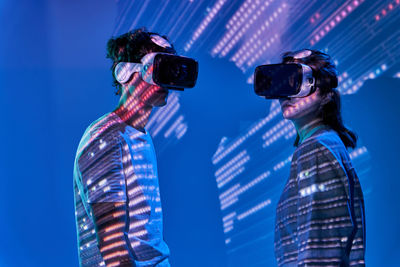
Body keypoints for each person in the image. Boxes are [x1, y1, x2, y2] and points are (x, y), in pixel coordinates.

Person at [73, 28, 179, 267]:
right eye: (155, 67)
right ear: (124, 72)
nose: (165, 79)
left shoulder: (138, 135)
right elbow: (112, 248)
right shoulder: (107, 137)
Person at [273, 49, 366, 266]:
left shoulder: (315, 150)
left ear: (326, 95)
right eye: (284, 83)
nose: (288, 94)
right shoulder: (326, 144)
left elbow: (321, 251)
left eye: (299, 81)